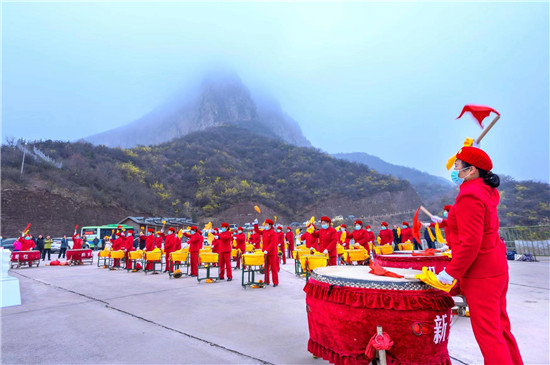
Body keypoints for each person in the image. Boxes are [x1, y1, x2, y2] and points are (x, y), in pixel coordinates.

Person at [436, 146, 523, 364]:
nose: (455, 169)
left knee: (489, 335)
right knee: (501, 328)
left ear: (471, 170)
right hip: (496, 268)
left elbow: (471, 242)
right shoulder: (485, 190)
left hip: (481, 273)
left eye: (457, 165)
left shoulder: (470, 195)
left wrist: (450, 273)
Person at [254, 219, 279, 286]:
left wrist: (267, 250)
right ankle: (266, 281)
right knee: (266, 267)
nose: (265, 226)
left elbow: (272, 243)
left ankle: (275, 282)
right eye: (265, 225)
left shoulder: (273, 233)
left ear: (270, 226)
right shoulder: (264, 231)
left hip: (271, 252)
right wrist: (256, 224)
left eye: (267, 225)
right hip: (265, 253)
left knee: (273, 267)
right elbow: (257, 231)